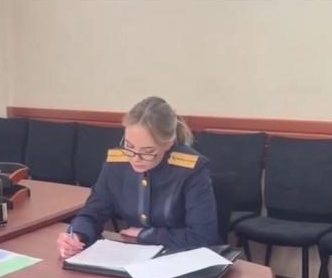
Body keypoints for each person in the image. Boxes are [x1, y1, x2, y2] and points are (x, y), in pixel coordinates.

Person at [57, 96, 219, 258]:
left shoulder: (191, 169)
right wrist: (77, 235)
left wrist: (149, 234)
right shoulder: (116, 164)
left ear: (168, 144)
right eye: (129, 146)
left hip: (181, 258)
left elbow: (203, 237)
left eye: (148, 151)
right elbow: (92, 214)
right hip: (134, 256)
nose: (135, 158)